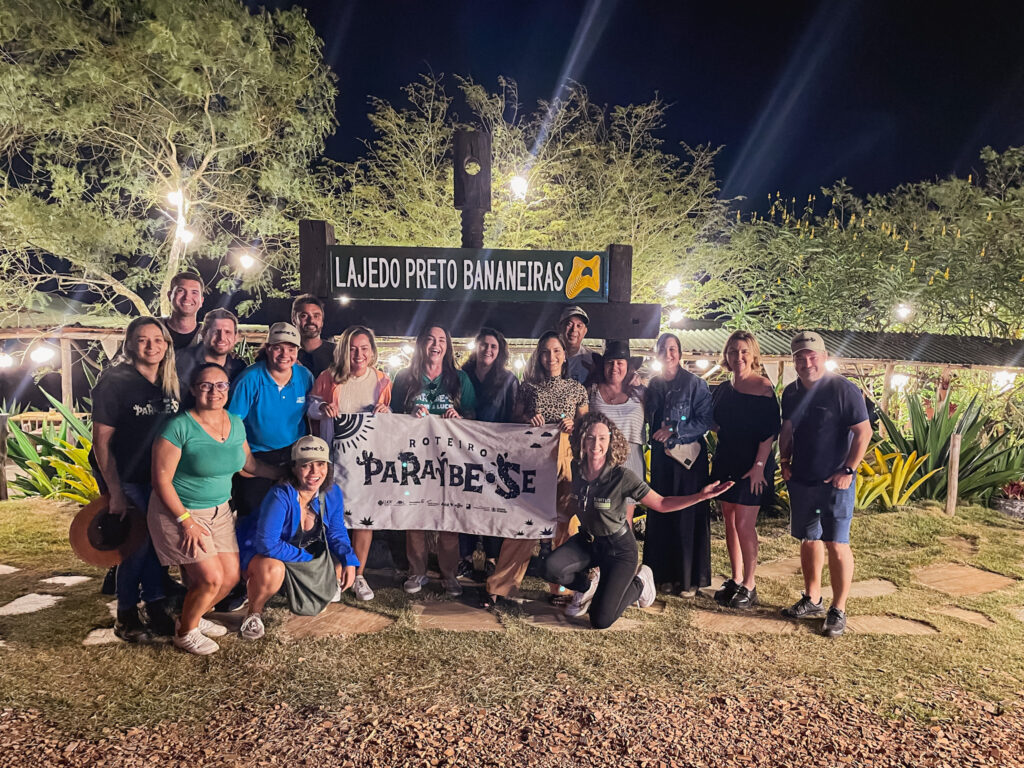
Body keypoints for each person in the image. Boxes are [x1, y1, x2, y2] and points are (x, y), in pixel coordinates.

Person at [544, 413, 732, 629]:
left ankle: (640, 582)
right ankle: (587, 585)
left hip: (619, 551)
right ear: (582, 440)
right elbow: (570, 503)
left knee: (600, 620)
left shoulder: (622, 477)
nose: (596, 444)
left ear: (611, 442)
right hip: (588, 543)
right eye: (590, 437)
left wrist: (700, 496)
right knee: (550, 568)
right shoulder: (576, 470)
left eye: (603, 438)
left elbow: (661, 503)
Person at [149, 363, 282, 655]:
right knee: (210, 579)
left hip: (219, 511)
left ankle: (191, 619)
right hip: (179, 512)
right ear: (194, 389)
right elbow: (160, 481)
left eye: (221, 385)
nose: (214, 391)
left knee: (231, 578)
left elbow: (249, 465)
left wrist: (282, 475)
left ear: (228, 389)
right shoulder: (179, 427)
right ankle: (185, 633)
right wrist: (185, 521)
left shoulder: (235, 423)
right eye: (206, 385)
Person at [481, 330, 588, 609]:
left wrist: (573, 427)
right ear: (539, 356)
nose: (550, 357)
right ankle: (501, 585)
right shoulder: (528, 388)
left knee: (565, 522)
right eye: (545, 351)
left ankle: (562, 586)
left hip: (566, 459)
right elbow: (515, 419)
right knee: (524, 520)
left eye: (556, 351)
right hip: (534, 460)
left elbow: (587, 427)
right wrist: (529, 418)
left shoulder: (577, 389)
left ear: (564, 356)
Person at [91, 317, 181, 642]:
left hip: (160, 478)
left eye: (157, 340)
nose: (151, 346)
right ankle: (126, 612)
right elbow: (101, 442)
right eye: (142, 340)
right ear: (130, 344)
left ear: (166, 344)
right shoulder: (114, 381)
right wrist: (114, 491)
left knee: (159, 545)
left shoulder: (170, 381)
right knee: (137, 546)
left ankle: (155, 605)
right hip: (126, 475)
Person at [779, 331, 871, 638]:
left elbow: (863, 433)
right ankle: (813, 597)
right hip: (803, 479)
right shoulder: (791, 392)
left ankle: (839, 608)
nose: (807, 363)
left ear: (825, 357)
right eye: (800, 358)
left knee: (837, 543)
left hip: (836, 481)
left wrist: (848, 469)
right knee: (809, 539)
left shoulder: (844, 390)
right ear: (794, 361)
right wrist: (784, 461)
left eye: (812, 357)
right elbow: (788, 429)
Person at [237, 436, 359, 640]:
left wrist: (350, 561)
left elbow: (336, 532)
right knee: (273, 570)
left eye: (321, 464)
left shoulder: (332, 492)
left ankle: (312, 587)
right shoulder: (280, 494)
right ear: (294, 468)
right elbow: (267, 544)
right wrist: (306, 559)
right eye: (306, 465)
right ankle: (254, 613)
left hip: (298, 551)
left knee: (338, 560)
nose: (314, 472)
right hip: (263, 553)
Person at [391, 325, 476, 596]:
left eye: (441, 340)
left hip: (449, 461)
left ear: (448, 347)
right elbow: (390, 418)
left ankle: (449, 574)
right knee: (414, 513)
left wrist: (459, 420)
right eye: (430, 339)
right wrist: (409, 413)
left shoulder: (459, 379)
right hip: (413, 460)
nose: (436, 345)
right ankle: (417, 572)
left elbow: (475, 418)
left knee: (447, 516)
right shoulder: (404, 378)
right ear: (420, 345)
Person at [308, 325, 391, 601]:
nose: (359, 354)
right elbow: (310, 408)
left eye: (364, 348)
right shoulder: (328, 377)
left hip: (369, 462)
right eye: (353, 348)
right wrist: (321, 409)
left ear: (372, 351)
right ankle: (336, 572)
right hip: (334, 460)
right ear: (344, 350)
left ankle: (359, 574)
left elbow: (389, 419)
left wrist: (385, 411)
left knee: (364, 520)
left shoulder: (382, 381)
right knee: (334, 518)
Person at [710, 331, 781, 610]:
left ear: (752, 355)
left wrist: (759, 467)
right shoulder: (724, 389)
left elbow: (769, 432)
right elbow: (715, 422)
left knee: (744, 523)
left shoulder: (763, 387)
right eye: (733, 351)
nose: (738, 356)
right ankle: (736, 577)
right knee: (729, 519)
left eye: (743, 352)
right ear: (726, 355)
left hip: (754, 465)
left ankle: (750, 584)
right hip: (727, 459)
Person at [643, 332, 714, 595]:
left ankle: (688, 579)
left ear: (680, 353)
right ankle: (663, 576)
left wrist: (676, 431)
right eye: (663, 349)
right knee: (662, 516)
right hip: (663, 461)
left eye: (673, 349)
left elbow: (705, 420)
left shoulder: (695, 384)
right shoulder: (653, 385)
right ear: (657, 354)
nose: (668, 354)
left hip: (688, 463)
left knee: (687, 516)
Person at [228, 322, 314, 518]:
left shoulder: (305, 376)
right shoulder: (250, 378)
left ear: (298, 352)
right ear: (267, 349)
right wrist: (247, 462)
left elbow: (312, 415)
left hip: (293, 454)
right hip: (257, 454)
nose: (285, 354)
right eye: (278, 348)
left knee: (291, 512)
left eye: (291, 349)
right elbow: (233, 423)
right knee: (253, 513)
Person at [456, 327, 518, 580]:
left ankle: (492, 558)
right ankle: (466, 558)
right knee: (464, 502)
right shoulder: (461, 375)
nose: (488, 350)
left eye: (493, 346)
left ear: (500, 351)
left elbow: (515, 415)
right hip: (462, 451)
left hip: (496, 451)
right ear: (476, 347)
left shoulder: (508, 380)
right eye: (484, 345)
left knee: (493, 503)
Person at [588, 340, 646, 528]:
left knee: (624, 519)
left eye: (620, 363)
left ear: (628, 367)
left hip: (631, 460)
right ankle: (598, 557)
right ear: (603, 366)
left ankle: (624, 557)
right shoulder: (592, 391)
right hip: (600, 459)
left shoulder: (641, 394)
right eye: (610, 362)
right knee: (599, 516)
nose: (615, 367)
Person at [175, 308, 246, 400]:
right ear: (204, 334)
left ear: (235, 337)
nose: (222, 338)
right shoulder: (182, 361)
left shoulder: (239, 368)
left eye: (227, 332)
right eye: (216, 332)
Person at [292, 294, 334, 378]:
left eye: (316, 316)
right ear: (294, 320)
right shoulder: (286, 355)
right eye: (304, 315)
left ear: (322, 321)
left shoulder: (337, 353)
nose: (311, 320)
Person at [162, 272, 204, 350]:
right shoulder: (151, 327)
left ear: (201, 301)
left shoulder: (210, 336)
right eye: (180, 290)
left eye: (194, 292)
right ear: (169, 296)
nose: (187, 297)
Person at [560, 305, 596, 384]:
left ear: (585, 331)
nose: (574, 329)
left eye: (579, 326)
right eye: (569, 324)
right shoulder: (547, 357)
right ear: (560, 327)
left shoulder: (594, 359)